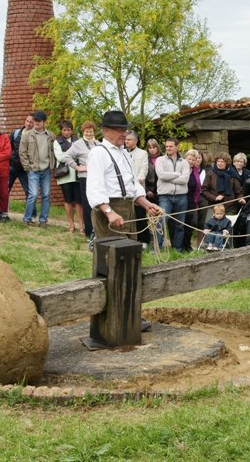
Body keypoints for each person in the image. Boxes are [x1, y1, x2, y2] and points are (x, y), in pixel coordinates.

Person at [86, 111, 162, 333]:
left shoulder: (124, 154)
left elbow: (131, 186)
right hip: (109, 211)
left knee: (131, 260)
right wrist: (109, 212)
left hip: (127, 208)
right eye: (119, 130)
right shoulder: (98, 153)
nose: (123, 134)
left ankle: (130, 314)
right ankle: (115, 316)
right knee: (114, 264)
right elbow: (95, 186)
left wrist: (147, 205)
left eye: (125, 130)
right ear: (105, 130)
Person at [20, 110, 56, 227]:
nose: (36, 122)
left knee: (46, 195)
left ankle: (43, 220)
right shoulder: (27, 135)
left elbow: (55, 152)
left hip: (46, 170)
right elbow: (22, 152)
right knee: (33, 195)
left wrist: (52, 165)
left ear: (44, 122)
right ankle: (27, 218)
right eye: (35, 120)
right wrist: (28, 167)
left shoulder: (51, 136)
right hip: (33, 170)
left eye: (39, 120)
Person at [65, 121, 98, 242]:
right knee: (87, 204)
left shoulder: (98, 144)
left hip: (97, 178)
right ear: (83, 132)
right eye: (87, 131)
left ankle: (98, 230)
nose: (89, 134)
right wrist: (78, 167)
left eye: (91, 131)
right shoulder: (78, 144)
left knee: (97, 204)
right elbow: (66, 156)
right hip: (85, 177)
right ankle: (89, 232)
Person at [155, 137, 190, 252]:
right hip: (165, 196)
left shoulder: (184, 162)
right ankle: (157, 249)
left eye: (171, 146)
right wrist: (177, 174)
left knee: (180, 224)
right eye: (166, 146)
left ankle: (177, 249)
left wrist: (168, 177)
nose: (168, 148)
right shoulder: (160, 160)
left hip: (181, 196)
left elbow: (185, 179)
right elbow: (161, 175)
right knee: (161, 221)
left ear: (177, 147)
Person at [54, 120, 83, 234]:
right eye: (64, 130)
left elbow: (81, 155)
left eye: (68, 130)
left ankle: (81, 226)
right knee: (68, 200)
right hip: (65, 175)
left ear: (72, 130)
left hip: (78, 175)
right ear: (61, 131)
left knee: (79, 201)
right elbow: (60, 157)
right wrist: (72, 154)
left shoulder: (78, 141)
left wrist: (67, 153)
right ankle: (71, 225)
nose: (66, 132)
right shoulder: (57, 142)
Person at [183, 148, 203, 252]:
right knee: (180, 224)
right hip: (181, 199)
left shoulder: (196, 171)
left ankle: (187, 246)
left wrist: (195, 201)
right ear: (185, 158)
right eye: (189, 159)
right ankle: (178, 246)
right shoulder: (180, 168)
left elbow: (198, 188)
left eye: (193, 160)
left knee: (189, 225)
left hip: (191, 201)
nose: (191, 161)